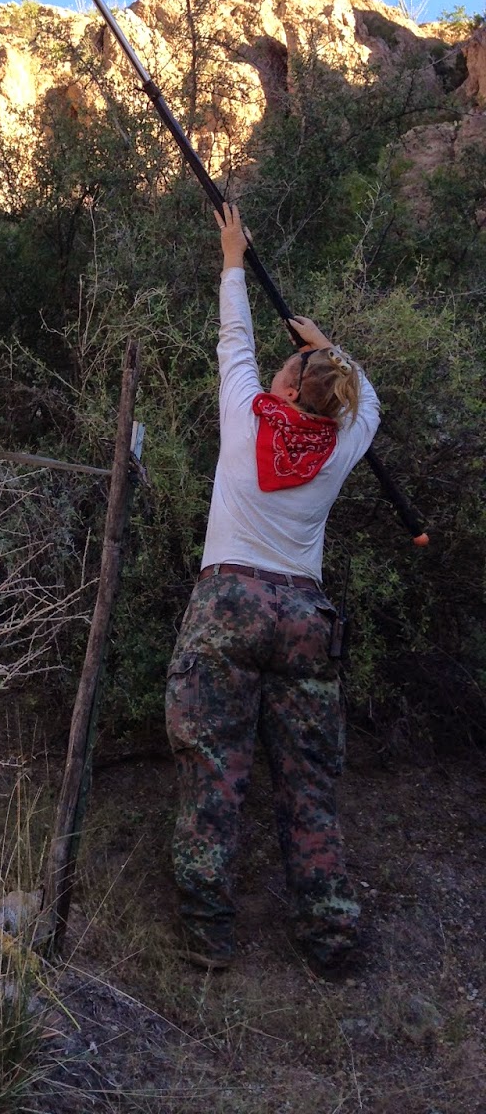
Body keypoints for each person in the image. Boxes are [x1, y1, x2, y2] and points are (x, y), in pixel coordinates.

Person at [166, 202, 380, 974]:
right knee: (309, 784)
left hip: (228, 606)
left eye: (288, 370)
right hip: (304, 616)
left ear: (285, 391)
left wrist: (233, 259)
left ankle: (208, 934)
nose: (276, 371)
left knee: (213, 772)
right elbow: (368, 400)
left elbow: (235, 342)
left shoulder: (246, 417)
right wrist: (326, 347)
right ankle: (329, 937)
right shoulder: (343, 443)